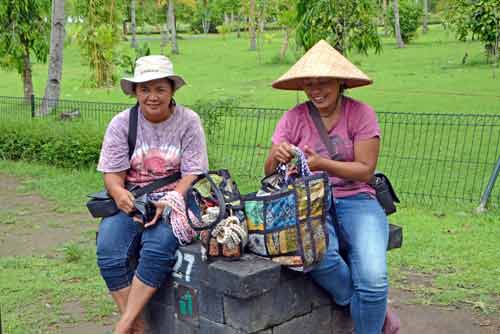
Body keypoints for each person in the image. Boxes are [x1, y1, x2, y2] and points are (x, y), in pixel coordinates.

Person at [264, 40, 400, 334]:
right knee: (315, 256)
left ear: (340, 82)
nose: (316, 89)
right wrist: (276, 156)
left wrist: (323, 164)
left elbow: (365, 171)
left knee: (374, 279)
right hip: (308, 201)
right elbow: (269, 173)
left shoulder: (361, 113)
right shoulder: (293, 118)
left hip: (357, 199)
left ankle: (372, 305)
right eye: (309, 83)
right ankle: (370, 306)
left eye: (323, 81)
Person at [96, 55, 208, 334]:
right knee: (108, 249)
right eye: (145, 89)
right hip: (135, 199)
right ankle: (138, 324)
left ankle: (123, 326)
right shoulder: (122, 123)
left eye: (160, 89)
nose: (152, 97)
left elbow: (193, 173)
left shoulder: (188, 121)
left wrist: (170, 200)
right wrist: (119, 193)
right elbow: (112, 173)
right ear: (135, 92)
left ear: (172, 90)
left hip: (177, 199)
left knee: (157, 247)